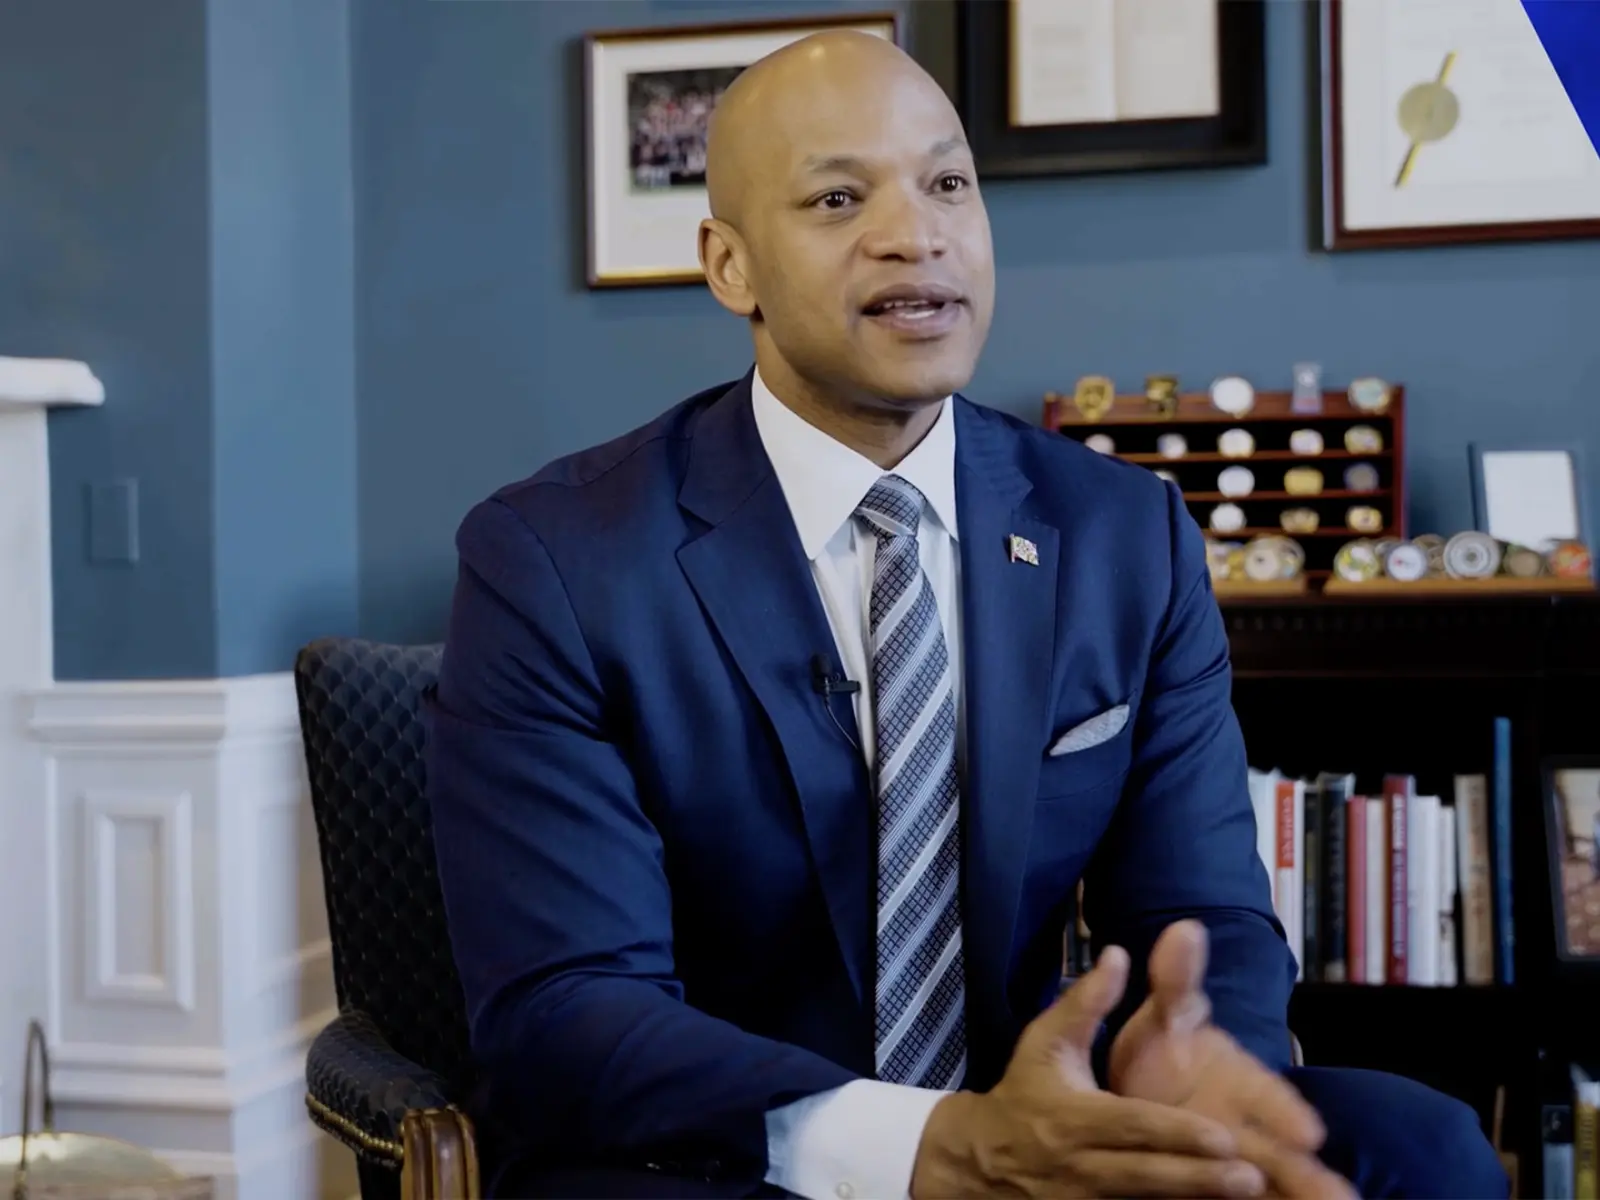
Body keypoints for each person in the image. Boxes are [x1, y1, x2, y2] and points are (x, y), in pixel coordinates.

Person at [424, 28, 1509, 1200]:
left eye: (948, 183)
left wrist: (1197, 1055)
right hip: (719, 1146)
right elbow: (567, 1006)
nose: (916, 231)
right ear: (729, 266)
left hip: (1036, 1109)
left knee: (1420, 1148)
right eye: (839, 197)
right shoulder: (554, 559)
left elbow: (1203, 910)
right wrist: (924, 1149)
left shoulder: (1123, 535)